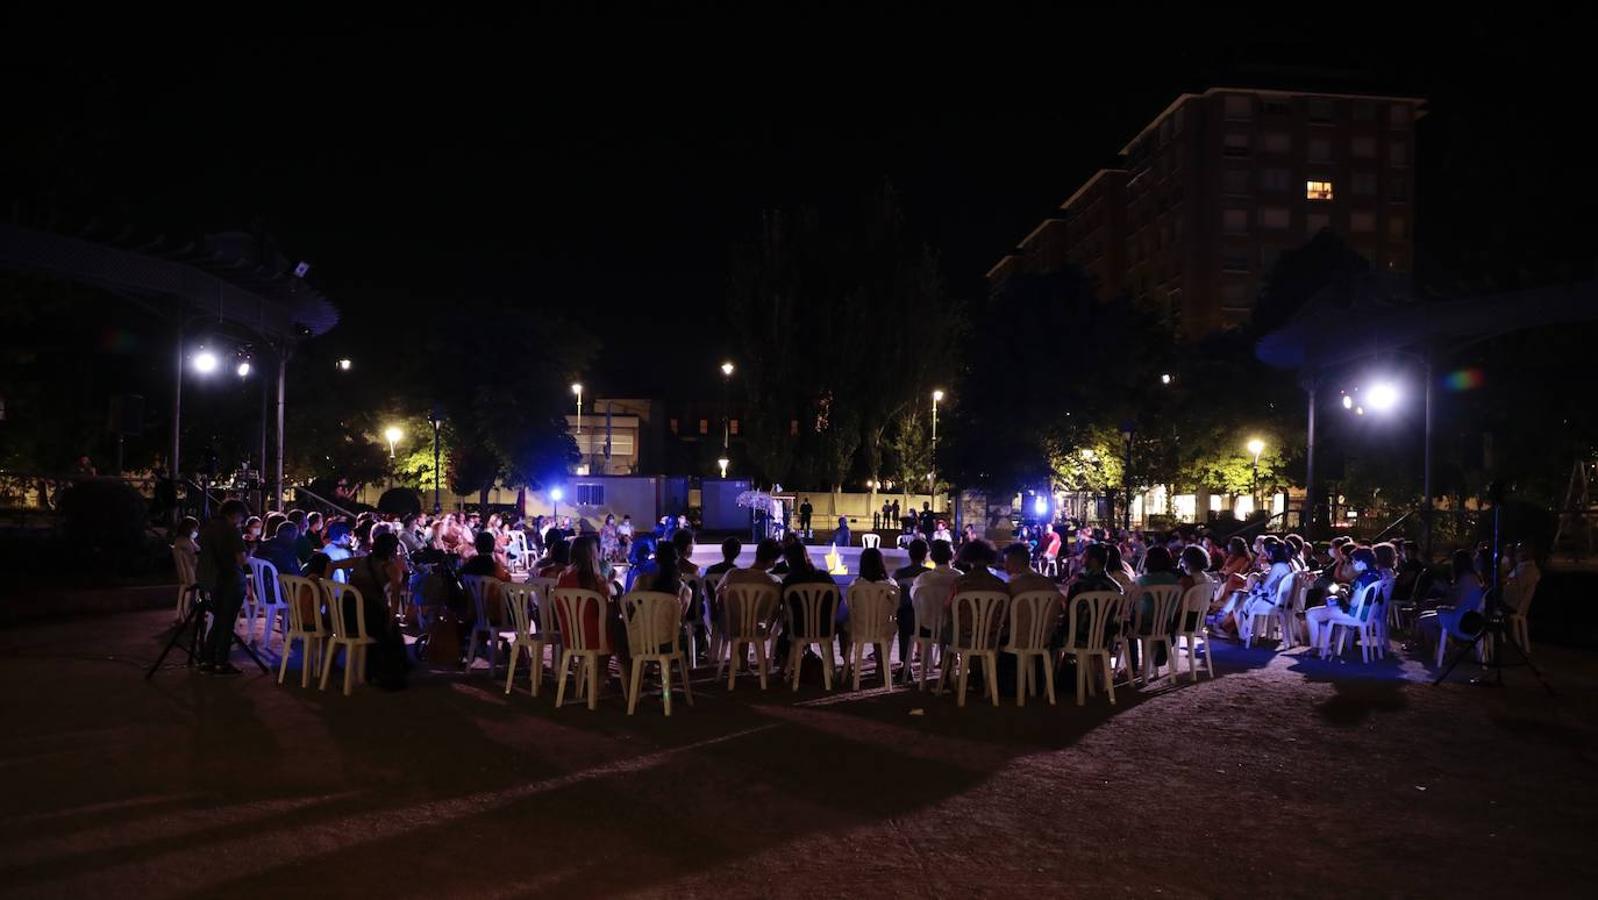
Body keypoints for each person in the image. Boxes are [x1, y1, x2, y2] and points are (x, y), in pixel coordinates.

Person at [196, 499, 251, 675]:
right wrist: (251, 550)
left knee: (219, 620)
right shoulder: (232, 530)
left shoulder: (208, 528)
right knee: (227, 623)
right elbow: (241, 560)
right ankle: (221, 662)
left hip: (212, 580)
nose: (241, 522)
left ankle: (207, 659)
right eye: (241, 518)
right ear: (236, 514)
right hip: (231, 580)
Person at [1306, 546, 1382, 649]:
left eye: (1354, 562)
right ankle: (1324, 646)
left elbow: (1353, 603)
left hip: (1355, 614)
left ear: (1361, 563)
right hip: (1368, 612)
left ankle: (1315, 648)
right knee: (1324, 607)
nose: (1352, 564)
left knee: (1311, 613)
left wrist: (1343, 594)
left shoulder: (1362, 579)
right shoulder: (1375, 574)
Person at [1412, 549, 1484, 654]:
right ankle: (1431, 645)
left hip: (1462, 618)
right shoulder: (1471, 577)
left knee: (1423, 620)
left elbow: (1454, 600)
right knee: (1424, 614)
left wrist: (1441, 596)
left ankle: (1447, 646)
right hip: (1465, 614)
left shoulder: (1466, 578)